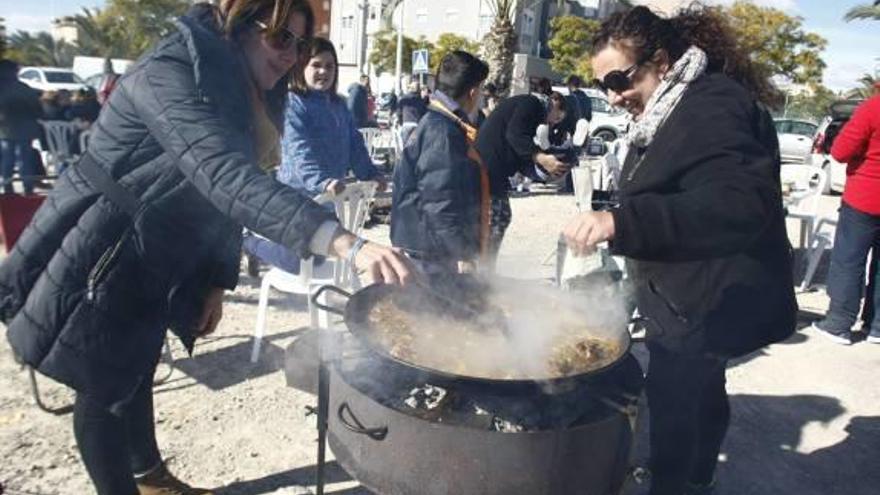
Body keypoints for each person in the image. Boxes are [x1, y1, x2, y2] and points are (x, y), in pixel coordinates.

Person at [0, 2, 413, 495]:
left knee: (136, 365)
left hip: (156, 250)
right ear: (240, 26)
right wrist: (344, 242)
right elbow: (222, 175)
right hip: (102, 246)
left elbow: (221, 201)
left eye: (301, 46)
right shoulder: (169, 71)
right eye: (281, 38)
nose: (293, 57)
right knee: (102, 388)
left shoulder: (245, 89)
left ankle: (150, 477)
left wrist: (216, 282)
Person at [561, 6, 796, 495]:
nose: (614, 96)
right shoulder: (673, 104)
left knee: (675, 403)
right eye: (604, 85)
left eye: (621, 79)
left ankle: (676, 484)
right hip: (686, 296)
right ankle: (697, 476)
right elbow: (678, 184)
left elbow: (739, 204)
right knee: (703, 393)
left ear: (662, 62)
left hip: (703, 301)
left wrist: (621, 222)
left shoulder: (711, 105)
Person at [244, 37, 387, 273]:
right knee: (297, 263)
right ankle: (249, 242)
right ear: (301, 68)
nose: (324, 71)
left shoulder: (339, 105)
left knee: (318, 257)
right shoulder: (294, 103)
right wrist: (321, 181)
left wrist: (371, 173)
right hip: (297, 192)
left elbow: (355, 144)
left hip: (330, 195)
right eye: (316, 65)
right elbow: (298, 149)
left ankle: (264, 246)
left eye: (330, 66)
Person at [391, 50, 490, 274]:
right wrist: (460, 253)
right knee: (435, 308)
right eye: (482, 90)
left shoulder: (438, 122)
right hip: (429, 251)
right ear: (473, 93)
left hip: (427, 244)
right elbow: (439, 199)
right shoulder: (442, 131)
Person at [811, 87, 880, 345]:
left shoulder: (872, 108)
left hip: (865, 197)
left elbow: (840, 152)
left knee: (848, 261)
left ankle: (839, 322)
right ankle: (876, 325)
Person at [475, 91, 570, 269]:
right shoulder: (531, 103)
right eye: (556, 118)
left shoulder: (532, 110)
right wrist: (541, 158)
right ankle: (483, 271)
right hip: (486, 165)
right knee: (497, 217)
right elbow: (515, 135)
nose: (551, 123)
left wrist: (543, 174)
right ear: (555, 103)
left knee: (498, 217)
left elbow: (519, 151)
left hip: (493, 167)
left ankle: (486, 269)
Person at [0, 59, 42, 195]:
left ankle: (7, 187)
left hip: (5, 129)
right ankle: (28, 187)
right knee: (25, 160)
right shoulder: (24, 89)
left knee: (8, 160)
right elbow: (37, 109)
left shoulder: (3, 89)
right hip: (26, 128)